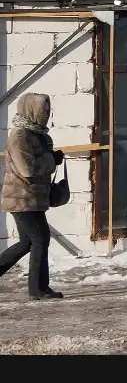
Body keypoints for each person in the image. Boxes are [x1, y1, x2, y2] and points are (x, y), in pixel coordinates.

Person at [0, 91, 65, 300]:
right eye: (42, 110)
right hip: (21, 199)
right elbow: (27, 169)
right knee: (40, 238)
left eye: (47, 110)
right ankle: (38, 289)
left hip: (32, 199)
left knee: (27, 242)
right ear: (30, 110)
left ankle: (38, 288)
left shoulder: (39, 135)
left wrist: (52, 157)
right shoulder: (19, 136)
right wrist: (51, 160)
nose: (46, 114)